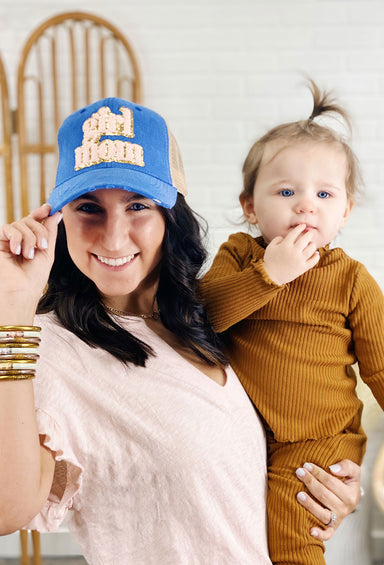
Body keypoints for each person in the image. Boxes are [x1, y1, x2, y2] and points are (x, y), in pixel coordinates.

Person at [0, 97, 361, 565]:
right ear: (59, 218)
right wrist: (11, 312)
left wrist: (328, 487)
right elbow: (9, 510)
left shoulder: (207, 316)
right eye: (88, 208)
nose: (113, 237)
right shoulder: (52, 348)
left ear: (172, 215)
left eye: (138, 206)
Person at [199, 80, 384, 565]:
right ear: (249, 207)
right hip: (244, 433)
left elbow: (380, 369)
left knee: (291, 535)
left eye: (325, 193)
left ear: (344, 212)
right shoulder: (239, 257)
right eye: (286, 191)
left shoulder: (349, 279)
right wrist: (268, 277)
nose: (306, 205)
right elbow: (203, 317)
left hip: (318, 436)